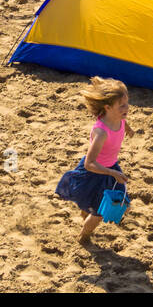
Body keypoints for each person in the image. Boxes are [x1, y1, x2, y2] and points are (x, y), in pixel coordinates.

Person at [55, 78, 130, 246]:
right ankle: (83, 237)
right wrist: (112, 173)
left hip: (111, 169)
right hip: (94, 173)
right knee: (99, 212)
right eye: (122, 106)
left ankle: (86, 212)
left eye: (127, 103)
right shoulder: (101, 133)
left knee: (120, 204)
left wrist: (129, 128)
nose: (127, 108)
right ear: (107, 107)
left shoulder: (119, 118)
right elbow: (90, 164)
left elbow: (123, 122)